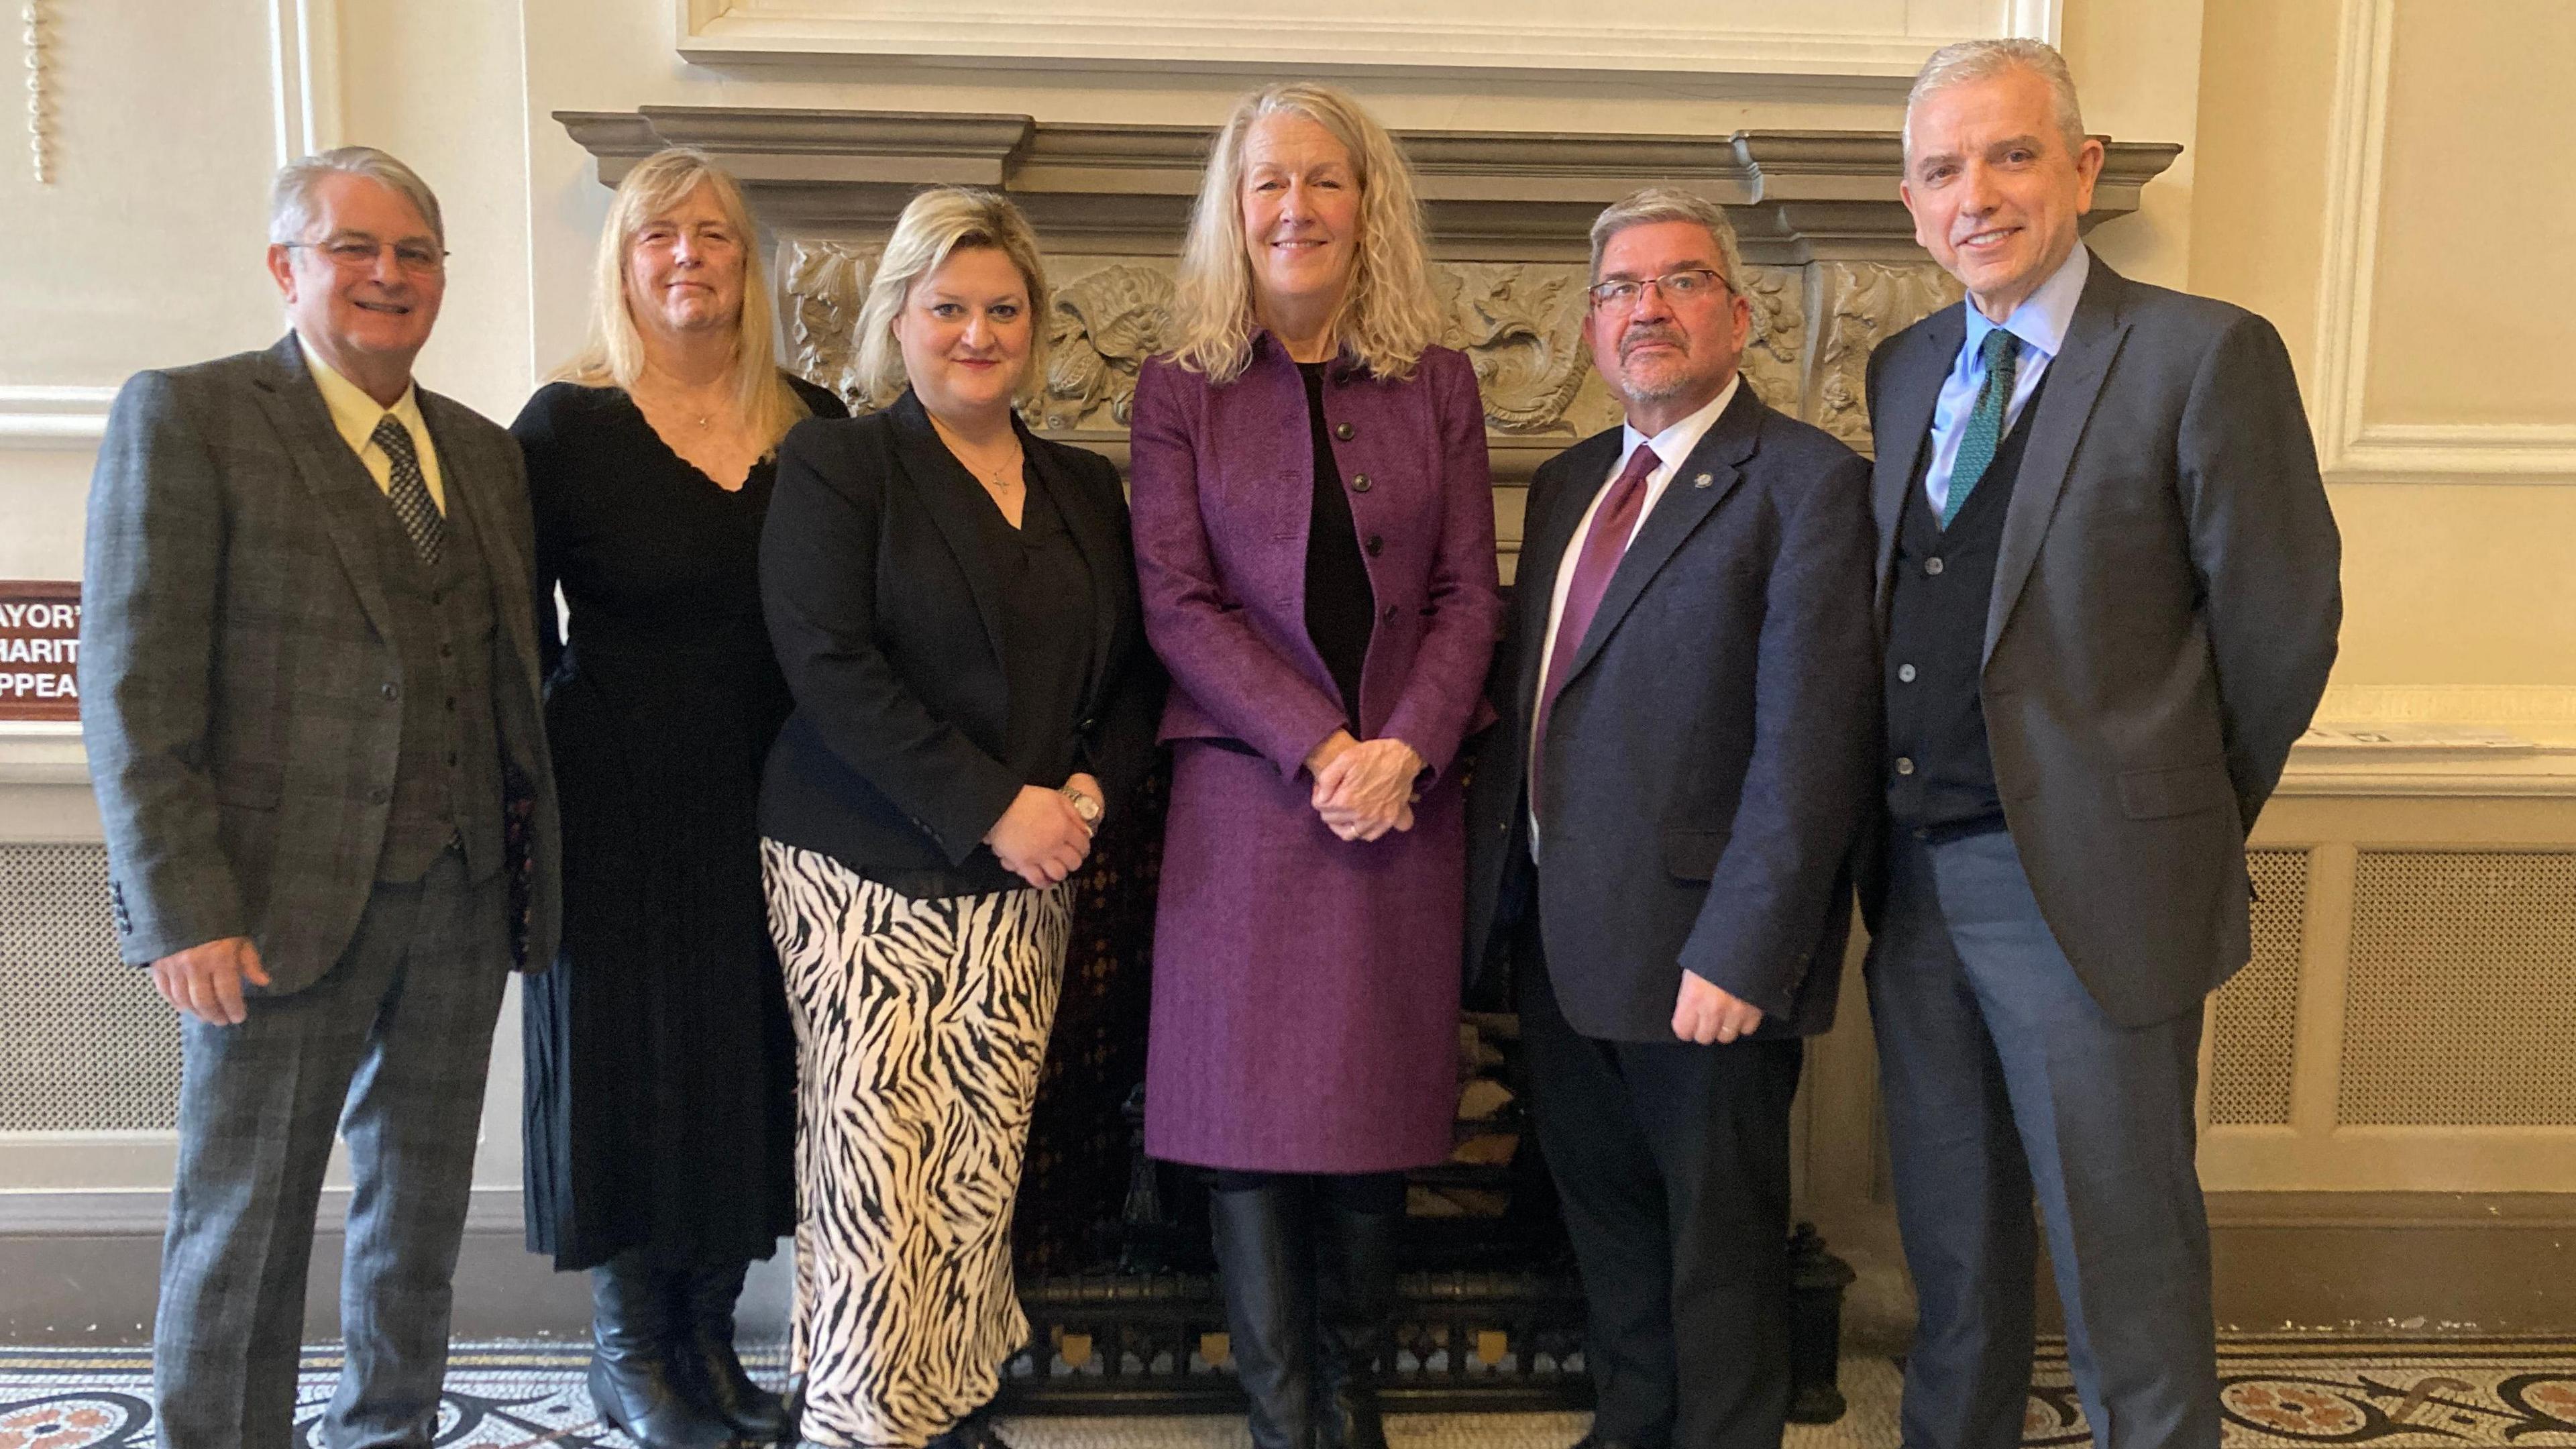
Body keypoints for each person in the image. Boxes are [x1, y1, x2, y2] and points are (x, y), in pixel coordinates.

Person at [1862, 40, 2341, 1449]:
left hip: (2090, 891)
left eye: (2011, 155)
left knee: (2125, 1269)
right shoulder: (1902, 372)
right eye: (1944, 169)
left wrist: (2161, 815)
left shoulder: (2202, 354)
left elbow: (2281, 632)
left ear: (2082, 168)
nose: (1978, 194)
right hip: (1914, 888)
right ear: (1911, 202)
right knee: (1952, 1263)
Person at [78, 146, 561, 1448]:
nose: (389, 276)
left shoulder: (479, 450)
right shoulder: (190, 417)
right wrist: (179, 910)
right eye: (357, 248)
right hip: (269, 909)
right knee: (244, 1218)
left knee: (418, 1210)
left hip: (461, 904)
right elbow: (132, 690)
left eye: (415, 253)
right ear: (287, 266)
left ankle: (387, 1427)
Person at [1460, 188, 1879, 1449]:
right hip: (1562, 939)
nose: (1649, 308)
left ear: (1738, 316)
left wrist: (1748, 949)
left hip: (1707, 952)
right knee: (1611, 1228)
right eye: (1621, 290)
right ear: (1590, 329)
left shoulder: (1808, 485)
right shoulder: (1572, 480)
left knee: (1722, 1252)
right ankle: (1631, 1427)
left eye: (1681, 281)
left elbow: (1814, 747)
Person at [1129, 82, 1505, 1449]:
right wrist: (1325, 746)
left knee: (1377, 1109)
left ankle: (1352, 1396)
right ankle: (1286, 1413)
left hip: (1406, 800)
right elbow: (1176, 601)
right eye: (1268, 182)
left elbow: (1473, 592)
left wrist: (1404, 745)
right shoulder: (1181, 387)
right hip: (1246, 796)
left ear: (1369, 205)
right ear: (1236, 211)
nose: (1296, 206)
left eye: (1324, 180)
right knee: (1239, 1115)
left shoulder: (1437, 379)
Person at [756, 185, 1161, 1449]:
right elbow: (827, 662)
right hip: (864, 861)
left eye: (1002, 308)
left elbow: (1143, 671)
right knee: (882, 1161)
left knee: (982, 1149)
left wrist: (1087, 793)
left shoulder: (1087, 485)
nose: (976, 333)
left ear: (1035, 325)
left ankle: (950, 1393)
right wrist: (995, 808)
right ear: (898, 319)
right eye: (948, 308)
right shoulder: (840, 463)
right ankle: (864, 1419)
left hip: (1032, 871)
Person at [514, 148, 843, 1447]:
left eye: (714, 232)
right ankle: (630, 1349)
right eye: (661, 233)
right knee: (629, 1066)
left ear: (748, 263)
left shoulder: (815, 425)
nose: (689, 253)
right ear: (625, 259)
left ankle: (711, 1340)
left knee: (747, 1061)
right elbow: (513, 635)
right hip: (615, 803)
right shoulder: (565, 425)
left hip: (777, 802)